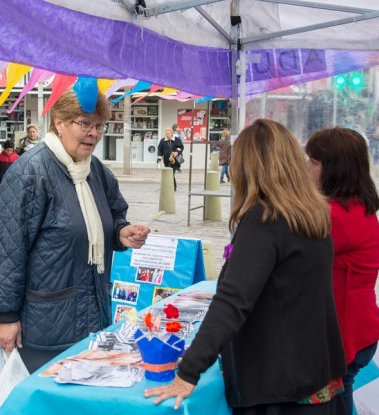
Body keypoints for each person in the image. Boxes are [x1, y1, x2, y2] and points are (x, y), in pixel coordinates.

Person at [144, 119, 347, 414]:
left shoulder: (265, 219)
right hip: (312, 374)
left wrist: (189, 371)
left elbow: (233, 300)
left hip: (280, 387)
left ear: (248, 167)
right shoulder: (310, 214)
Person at [0, 89, 151, 374]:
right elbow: (6, 250)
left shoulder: (96, 170)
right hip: (46, 326)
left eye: (99, 126)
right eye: (84, 124)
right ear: (59, 122)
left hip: (93, 315)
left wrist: (121, 233)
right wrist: (7, 316)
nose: (94, 133)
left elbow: (111, 217)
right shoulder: (30, 173)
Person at [305, 127, 379, 415]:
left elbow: (291, 257)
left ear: (334, 168)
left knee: (335, 405)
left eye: (313, 162)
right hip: (354, 329)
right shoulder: (356, 206)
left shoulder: (336, 217)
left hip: (344, 333)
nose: (307, 168)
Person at [157, 127, 184, 191]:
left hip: (175, 160)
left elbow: (181, 147)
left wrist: (177, 152)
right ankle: (173, 186)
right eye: (166, 133)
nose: (167, 134)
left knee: (172, 173)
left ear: (171, 133)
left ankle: (172, 187)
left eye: (168, 133)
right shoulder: (162, 141)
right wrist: (159, 158)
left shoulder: (177, 140)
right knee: (169, 173)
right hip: (167, 160)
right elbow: (160, 150)